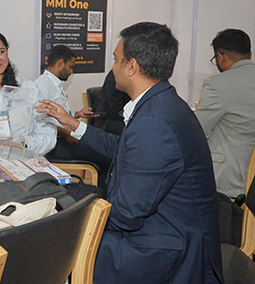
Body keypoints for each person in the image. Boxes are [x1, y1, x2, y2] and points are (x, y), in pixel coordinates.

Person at [37, 22, 222, 283]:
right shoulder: (162, 103)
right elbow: (122, 148)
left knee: (52, 247)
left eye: (116, 60)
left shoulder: (154, 122)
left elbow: (125, 215)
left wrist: (69, 209)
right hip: (164, 230)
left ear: (132, 66)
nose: (113, 68)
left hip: (166, 249)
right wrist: (73, 124)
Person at [35, 45, 110, 187]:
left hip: (66, 137)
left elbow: (58, 115)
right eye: (70, 67)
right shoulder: (41, 87)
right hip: (55, 144)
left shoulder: (54, 84)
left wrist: (77, 114)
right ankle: (100, 193)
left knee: (104, 150)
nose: (71, 72)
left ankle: (101, 190)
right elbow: (40, 122)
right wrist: (66, 133)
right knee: (104, 155)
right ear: (60, 63)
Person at [196, 28, 255, 197]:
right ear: (250, 55)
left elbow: (197, 130)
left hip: (227, 184)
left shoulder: (217, 85)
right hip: (250, 181)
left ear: (221, 56)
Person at [91, 70, 130, 135]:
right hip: (106, 120)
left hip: (123, 117)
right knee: (135, 130)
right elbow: (115, 110)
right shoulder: (116, 75)